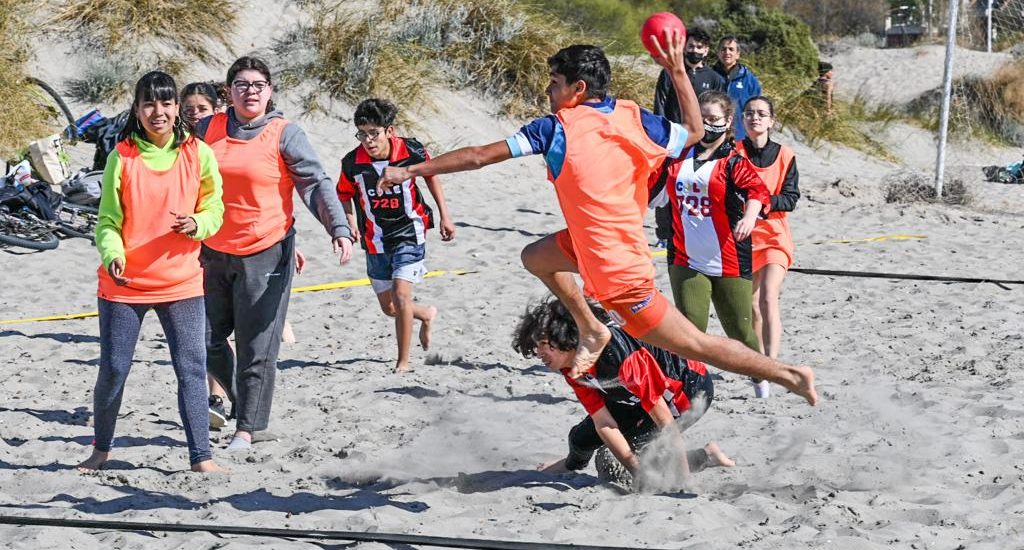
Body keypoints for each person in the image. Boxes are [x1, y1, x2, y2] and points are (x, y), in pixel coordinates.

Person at [377, 37, 818, 406]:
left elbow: (477, 157)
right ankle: (590, 328)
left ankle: (788, 373)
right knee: (535, 256)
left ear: (578, 87)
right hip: (589, 244)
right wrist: (678, 71)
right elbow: (695, 130)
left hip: (618, 272)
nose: (549, 92)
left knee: (697, 346)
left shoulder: (555, 128)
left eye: (555, 84)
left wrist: (410, 170)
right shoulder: (633, 115)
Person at [195, 56, 355, 450]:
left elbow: (315, 183)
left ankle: (247, 429)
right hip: (211, 250)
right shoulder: (206, 128)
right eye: (242, 84)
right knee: (207, 339)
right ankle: (241, 401)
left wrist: (337, 227)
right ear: (228, 91)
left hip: (265, 251)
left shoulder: (285, 133)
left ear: (270, 92)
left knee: (256, 345)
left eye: (259, 84)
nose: (251, 91)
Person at [79, 71, 225, 473]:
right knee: (114, 369)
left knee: (191, 368)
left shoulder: (199, 152)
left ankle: (201, 457)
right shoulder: (121, 157)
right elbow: (107, 221)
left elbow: (216, 209)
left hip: (182, 282)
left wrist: (199, 223)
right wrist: (113, 253)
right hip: (125, 283)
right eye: (149, 103)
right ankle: (101, 451)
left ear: (177, 108)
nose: (157, 112)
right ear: (138, 109)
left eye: (165, 103)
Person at [514, 298, 734, 485]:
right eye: (536, 345)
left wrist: (683, 483)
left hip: (686, 390)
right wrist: (636, 471)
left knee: (612, 461)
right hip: (631, 399)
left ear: (566, 338)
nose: (539, 352)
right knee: (581, 439)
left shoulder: (619, 357)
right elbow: (603, 422)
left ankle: (706, 456)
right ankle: (568, 466)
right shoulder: (570, 363)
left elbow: (665, 420)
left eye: (544, 344)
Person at [651, 90, 772, 397]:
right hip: (684, 256)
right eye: (703, 119)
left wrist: (749, 217)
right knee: (690, 330)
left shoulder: (734, 162)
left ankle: (759, 377)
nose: (709, 125)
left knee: (740, 331)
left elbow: (758, 192)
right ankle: (686, 389)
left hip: (729, 258)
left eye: (715, 119)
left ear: (728, 121)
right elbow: (652, 194)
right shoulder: (677, 159)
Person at [336, 98, 455, 372]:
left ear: (390, 131)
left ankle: (403, 362)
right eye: (362, 133)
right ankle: (425, 313)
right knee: (390, 307)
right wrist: (350, 221)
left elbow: (432, 175)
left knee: (401, 296)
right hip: (375, 238)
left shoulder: (411, 150)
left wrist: (445, 215)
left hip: (410, 232)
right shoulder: (352, 162)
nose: (368, 140)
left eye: (373, 133)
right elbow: (344, 194)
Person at [735, 96, 800, 393]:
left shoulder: (786, 155)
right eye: (749, 113)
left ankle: (772, 366)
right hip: (744, 238)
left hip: (774, 234)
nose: (755, 118)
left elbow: (790, 198)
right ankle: (761, 365)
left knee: (767, 299)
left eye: (761, 114)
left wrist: (760, 203)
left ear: (771, 121)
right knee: (751, 306)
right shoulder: (734, 152)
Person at [651, 26, 727, 249]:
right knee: (665, 186)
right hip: (674, 138)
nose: (695, 50)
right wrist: (662, 136)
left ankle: (694, 229)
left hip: (704, 140)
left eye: (699, 47)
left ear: (707, 50)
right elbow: (660, 104)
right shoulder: (669, 73)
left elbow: (722, 107)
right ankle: (664, 234)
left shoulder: (714, 77)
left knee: (697, 186)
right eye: (691, 46)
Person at [713, 36, 762, 141]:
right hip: (712, 135)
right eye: (723, 49)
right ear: (718, 53)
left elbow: (756, 110)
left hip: (740, 137)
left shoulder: (749, 80)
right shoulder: (709, 75)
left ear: (738, 54)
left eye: (731, 49)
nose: (727, 52)